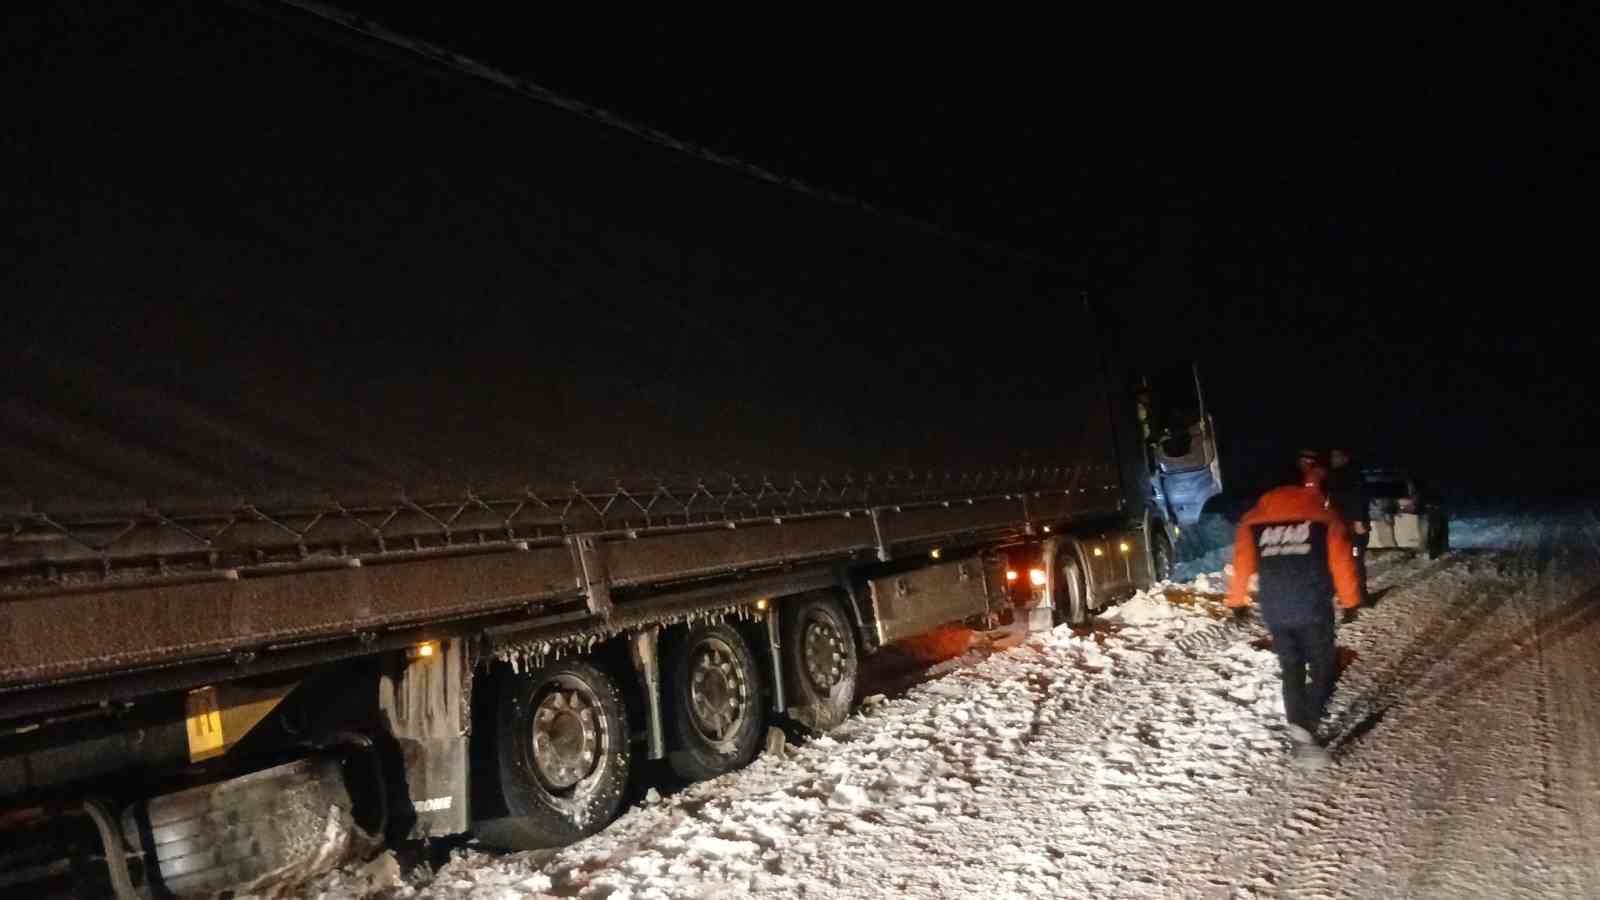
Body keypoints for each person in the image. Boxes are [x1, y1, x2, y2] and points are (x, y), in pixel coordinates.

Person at [1227, 455, 1360, 768]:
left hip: (1275, 608)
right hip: (1312, 605)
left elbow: (1242, 561)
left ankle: (1299, 728)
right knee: (1324, 666)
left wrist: (1236, 601)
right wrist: (1350, 600)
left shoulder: (1252, 519)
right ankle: (1307, 726)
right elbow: (1341, 560)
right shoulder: (1321, 514)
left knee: (1292, 668)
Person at [1325, 448, 1371, 605]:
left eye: (1336, 456)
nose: (1332, 459)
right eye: (1331, 456)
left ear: (1346, 457)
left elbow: (1359, 498)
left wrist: (1358, 521)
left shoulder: (1353, 474)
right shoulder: (1333, 475)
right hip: (1339, 526)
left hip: (1353, 526)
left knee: (1356, 560)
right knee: (1343, 561)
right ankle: (1349, 594)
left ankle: (1361, 596)